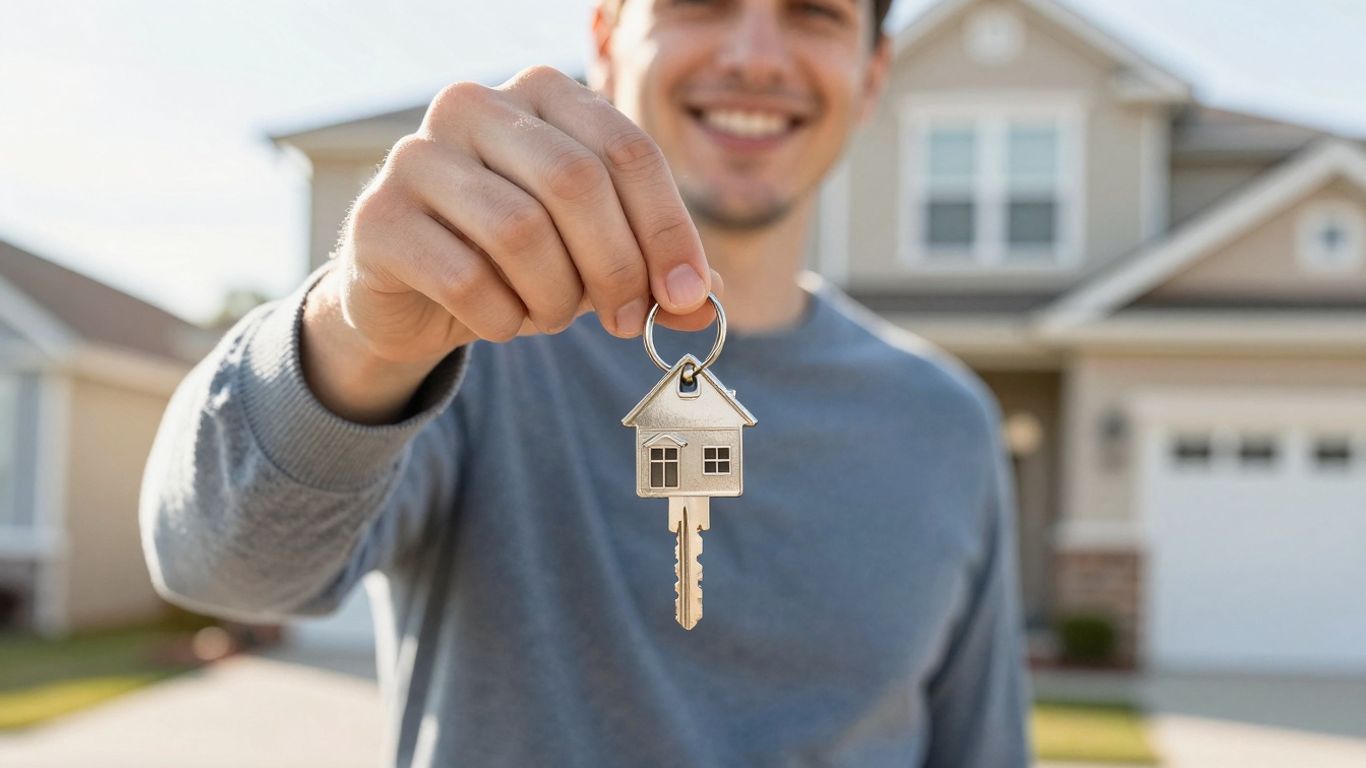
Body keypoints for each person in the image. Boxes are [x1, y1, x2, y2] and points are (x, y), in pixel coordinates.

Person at [140, 0, 1032, 765]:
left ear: (872, 75)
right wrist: (355, 335)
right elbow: (218, 565)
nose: (756, 56)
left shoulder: (945, 420)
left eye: (812, 11)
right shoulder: (471, 336)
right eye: (700, 1)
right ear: (607, 33)